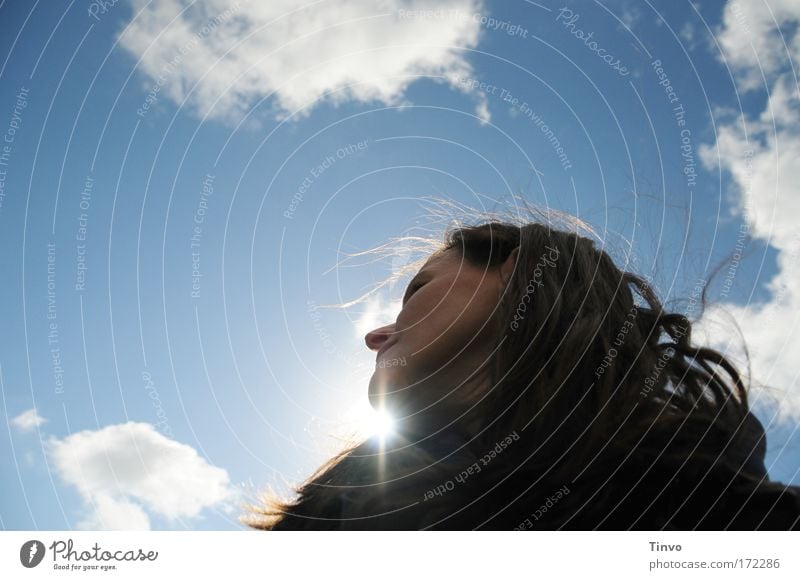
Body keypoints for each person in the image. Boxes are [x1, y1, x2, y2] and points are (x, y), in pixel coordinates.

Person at [242, 211, 800, 530]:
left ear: (517, 274)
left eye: (418, 288)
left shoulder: (718, 524)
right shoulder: (327, 520)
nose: (375, 335)